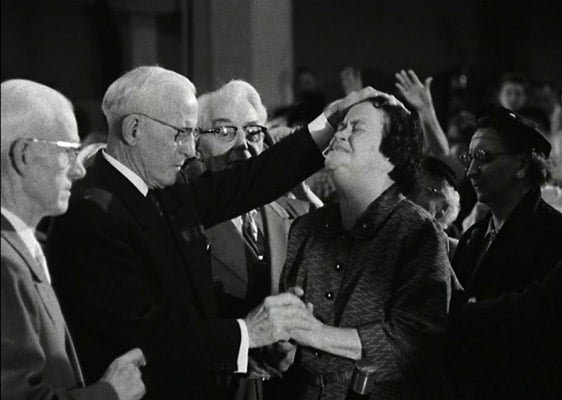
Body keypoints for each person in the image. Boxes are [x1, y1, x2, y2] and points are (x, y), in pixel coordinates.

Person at [46, 65, 391, 400]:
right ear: (134, 130)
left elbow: (247, 183)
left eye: (193, 135)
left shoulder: (163, 187)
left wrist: (326, 125)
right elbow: (144, 335)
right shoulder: (91, 211)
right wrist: (247, 333)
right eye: (180, 133)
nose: (191, 149)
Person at [275, 98, 454, 399]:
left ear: (391, 156)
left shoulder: (417, 232)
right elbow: (287, 358)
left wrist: (317, 335)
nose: (339, 134)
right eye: (341, 126)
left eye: (356, 128)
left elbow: (414, 346)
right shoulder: (305, 229)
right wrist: (281, 348)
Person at [1, 79, 146, 400]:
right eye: (69, 151)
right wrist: (110, 392)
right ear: (24, 154)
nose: (79, 171)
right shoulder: (4, 263)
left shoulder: (23, 246)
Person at [453, 85, 562, 400]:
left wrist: (459, 315)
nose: (471, 171)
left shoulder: (553, 231)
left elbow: (547, 310)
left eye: (485, 158)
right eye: (470, 158)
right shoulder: (474, 235)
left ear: (522, 165)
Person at [193, 79, 315, 400]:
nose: (243, 145)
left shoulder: (290, 216)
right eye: (224, 132)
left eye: (253, 131)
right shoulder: (185, 222)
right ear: (196, 144)